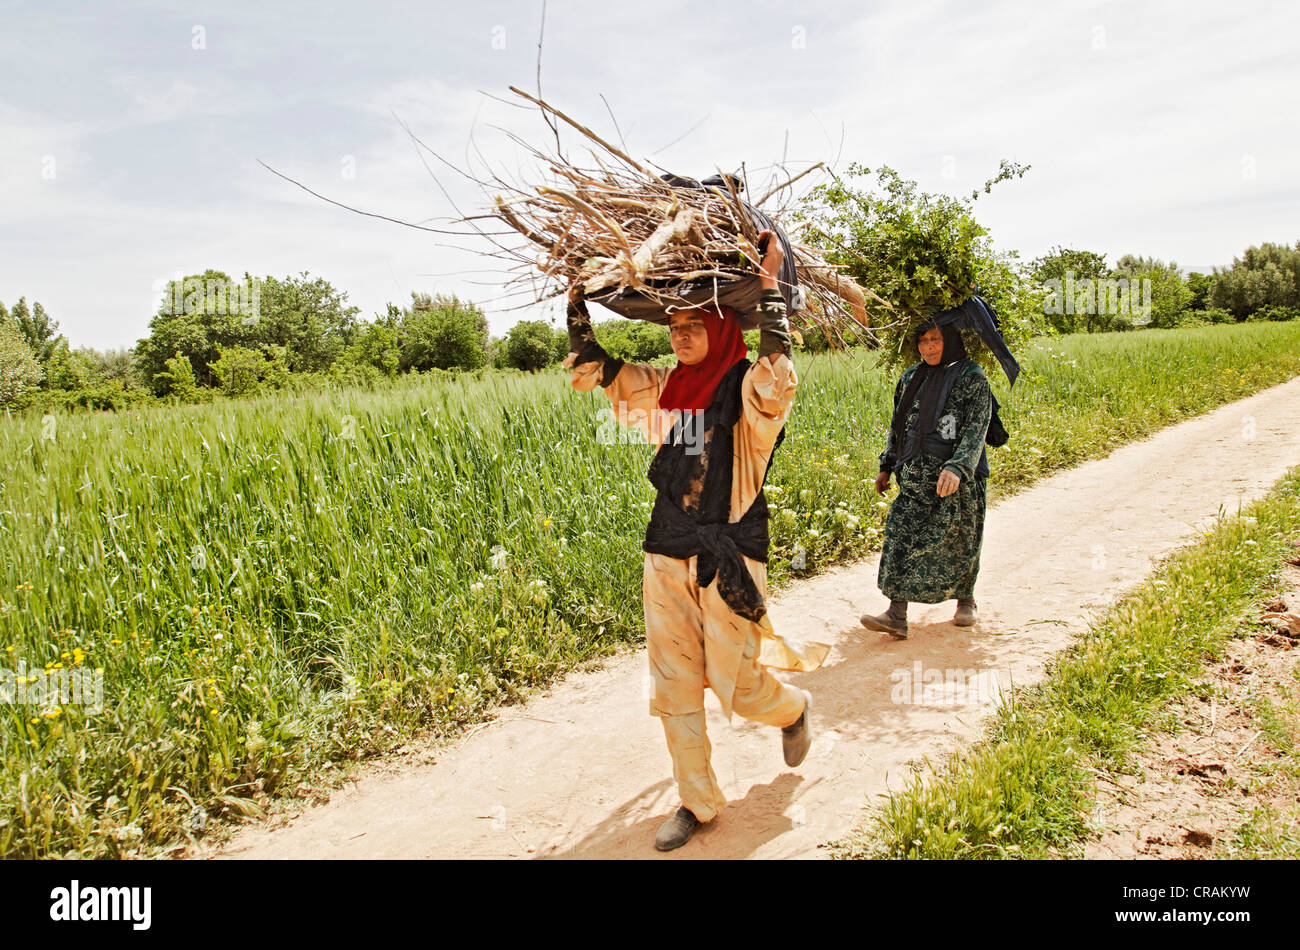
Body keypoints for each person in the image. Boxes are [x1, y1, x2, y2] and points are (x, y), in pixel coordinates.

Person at [563, 230, 828, 852]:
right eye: (673, 324)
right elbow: (596, 370)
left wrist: (767, 291)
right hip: (666, 548)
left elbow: (777, 375)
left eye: (694, 324)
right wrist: (575, 299)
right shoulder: (666, 390)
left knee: (735, 682)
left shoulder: (748, 393)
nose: (679, 334)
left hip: (731, 550)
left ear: (723, 331)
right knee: (675, 683)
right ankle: (697, 803)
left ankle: (791, 708)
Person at [859, 321, 993, 638]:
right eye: (923, 340)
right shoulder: (910, 378)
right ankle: (896, 613)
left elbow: (977, 426)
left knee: (960, 540)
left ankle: (966, 600)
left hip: (957, 480)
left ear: (952, 340)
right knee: (900, 533)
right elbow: (898, 425)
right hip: (915, 475)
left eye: (936, 340)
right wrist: (887, 464)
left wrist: (958, 467)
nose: (929, 347)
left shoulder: (971, 377)